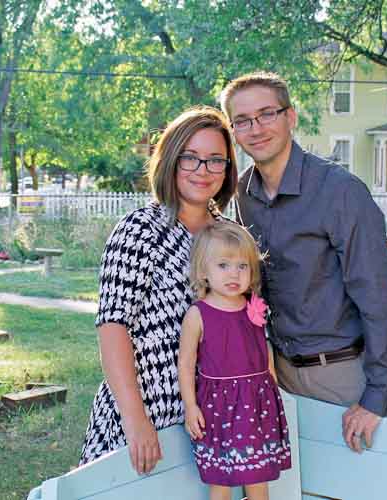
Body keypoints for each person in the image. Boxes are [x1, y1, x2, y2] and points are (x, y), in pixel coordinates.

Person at [219, 72, 387, 453]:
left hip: (338, 374)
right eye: (243, 120)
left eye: (267, 114)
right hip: (276, 373)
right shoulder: (242, 194)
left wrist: (376, 396)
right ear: (234, 130)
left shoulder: (340, 191)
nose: (256, 128)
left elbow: (377, 298)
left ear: (291, 117)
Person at [79, 106, 239, 474]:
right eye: (191, 158)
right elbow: (113, 326)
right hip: (145, 422)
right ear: (170, 160)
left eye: (216, 160)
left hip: (211, 425)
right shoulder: (141, 230)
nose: (203, 171)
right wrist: (135, 420)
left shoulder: (230, 237)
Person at [178, 222, 291, 500]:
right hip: (220, 408)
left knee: (257, 476)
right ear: (204, 271)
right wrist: (190, 406)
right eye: (223, 265)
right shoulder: (198, 314)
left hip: (256, 403)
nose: (234, 274)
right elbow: (186, 363)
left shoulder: (253, 306)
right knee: (222, 479)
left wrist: (272, 381)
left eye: (242, 266)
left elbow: (262, 346)